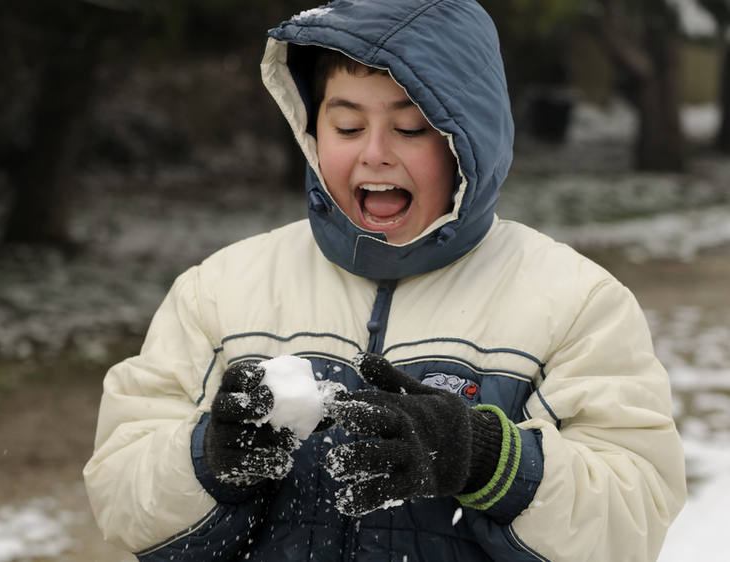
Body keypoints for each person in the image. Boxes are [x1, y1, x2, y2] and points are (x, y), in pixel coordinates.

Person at [83, 0, 687, 560]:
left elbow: (632, 518)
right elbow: (120, 493)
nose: (374, 154)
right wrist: (208, 460)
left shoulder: (575, 303)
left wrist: (490, 460)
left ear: (468, 142)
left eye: (410, 128)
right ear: (312, 131)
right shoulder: (221, 290)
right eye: (346, 127)